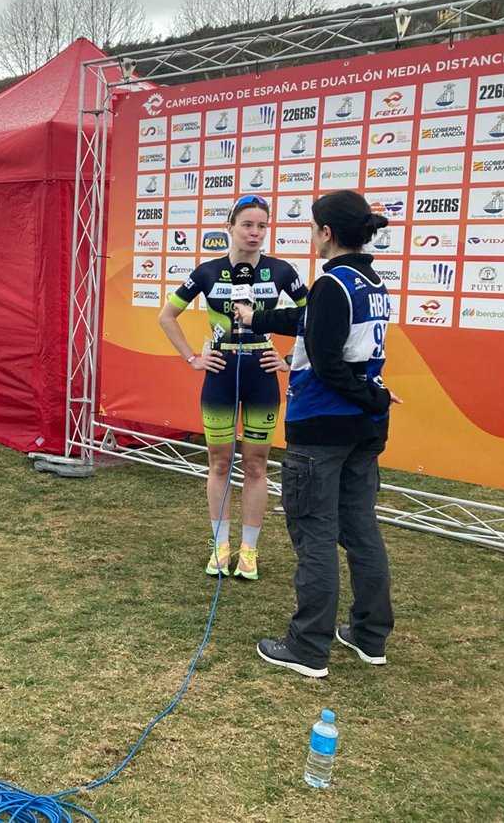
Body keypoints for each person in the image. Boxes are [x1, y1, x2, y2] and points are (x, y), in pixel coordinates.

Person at [236, 190, 401, 678]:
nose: (309, 235)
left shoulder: (332, 284)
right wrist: (256, 317)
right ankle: (369, 635)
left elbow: (327, 362)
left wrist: (373, 396)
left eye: (311, 227)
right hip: (362, 429)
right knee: (360, 529)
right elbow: (309, 323)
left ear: (327, 232)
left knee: (315, 534)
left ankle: (308, 646)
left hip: (325, 429)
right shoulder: (368, 280)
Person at [157, 194, 307, 580]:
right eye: (247, 225)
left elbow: (314, 317)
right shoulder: (208, 272)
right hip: (221, 373)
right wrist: (193, 357)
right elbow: (167, 315)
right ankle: (220, 546)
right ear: (230, 228)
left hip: (261, 374)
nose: (255, 233)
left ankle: (249, 550)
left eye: (262, 226)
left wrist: (290, 359)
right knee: (220, 463)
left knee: (256, 464)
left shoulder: (281, 271)